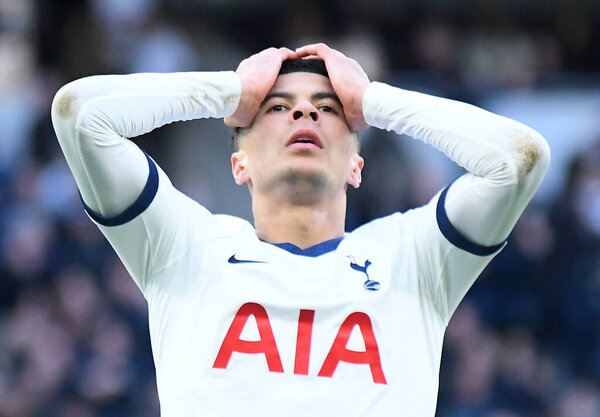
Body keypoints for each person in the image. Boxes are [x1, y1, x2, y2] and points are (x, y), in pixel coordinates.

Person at [51, 43, 550, 416]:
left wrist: (373, 100)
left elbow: (519, 160)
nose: (304, 111)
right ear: (238, 163)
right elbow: (80, 116)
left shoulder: (413, 258)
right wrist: (231, 89)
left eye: (328, 107)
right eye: (276, 106)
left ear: (357, 166)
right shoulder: (186, 248)